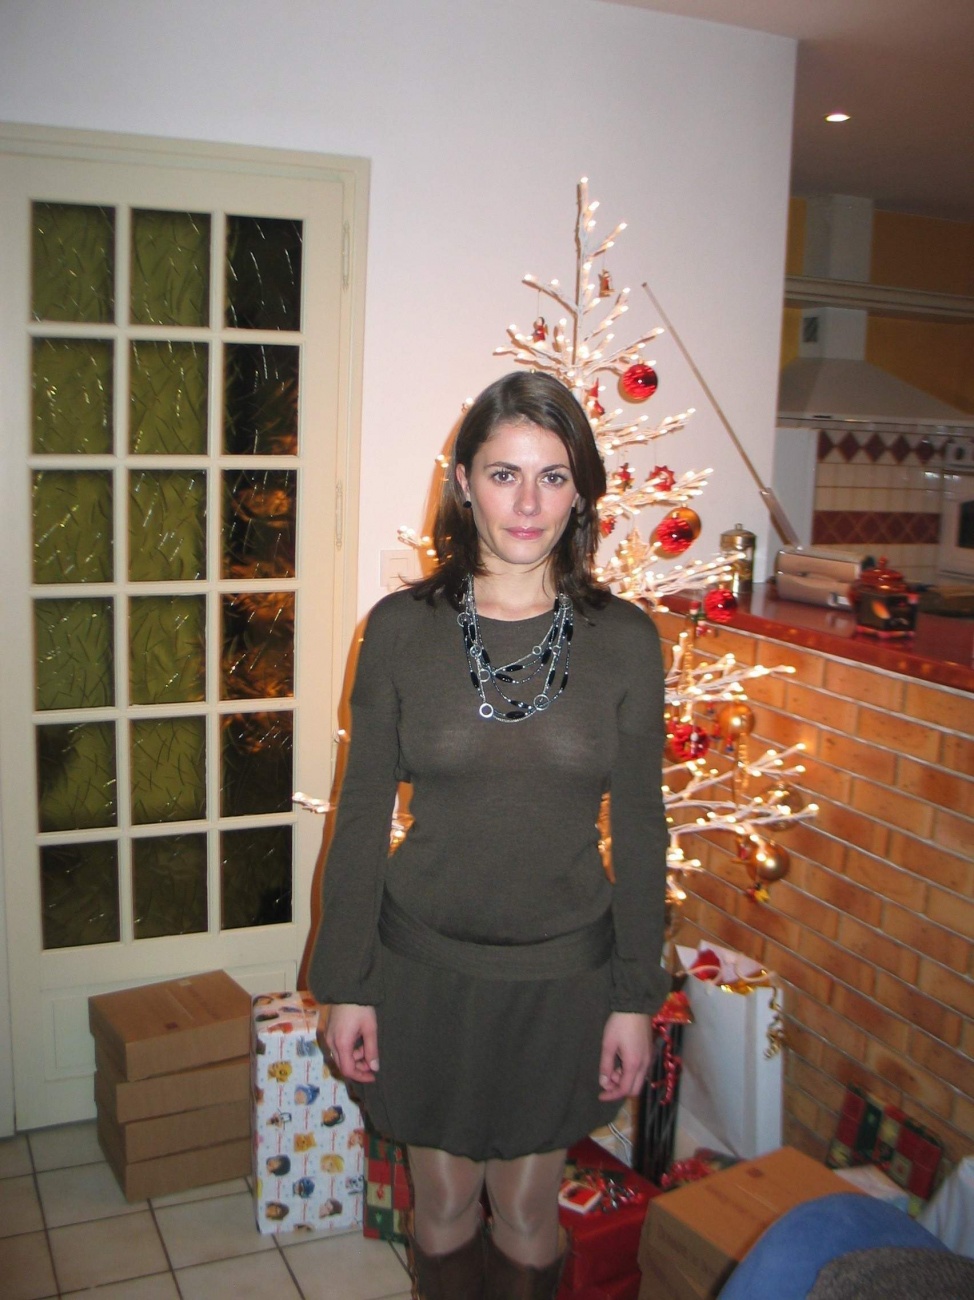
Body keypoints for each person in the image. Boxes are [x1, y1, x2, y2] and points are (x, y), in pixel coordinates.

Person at [309, 370, 669, 1300]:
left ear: (582, 492)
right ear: (463, 480)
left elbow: (641, 829)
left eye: (554, 477)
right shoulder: (399, 631)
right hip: (424, 970)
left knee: (526, 1210)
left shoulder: (626, 641)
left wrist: (637, 996)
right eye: (505, 474)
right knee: (441, 1204)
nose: (528, 504)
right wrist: (344, 983)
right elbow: (359, 813)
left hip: (561, 980)